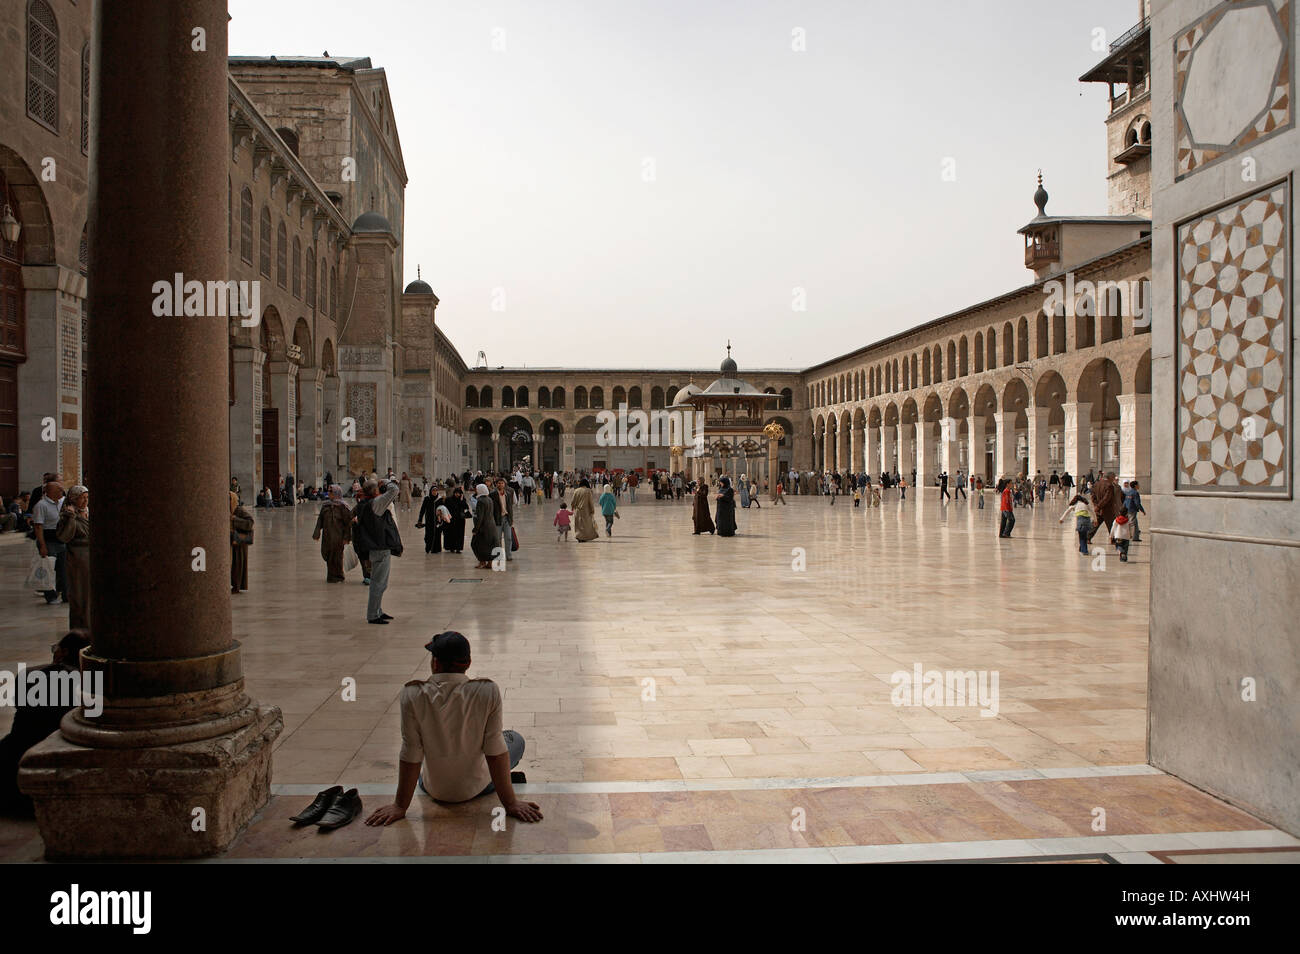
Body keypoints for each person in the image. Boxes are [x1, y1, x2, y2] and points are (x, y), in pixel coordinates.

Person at [365, 632, 541, 827]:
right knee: (513, 739)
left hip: (434, 789)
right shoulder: (486, 691)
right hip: (477, 788)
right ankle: (500, 780)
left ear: (436, 663)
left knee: (433, 750)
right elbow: (495, 752)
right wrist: (511, 803)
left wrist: (400, 805)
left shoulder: (412, 694)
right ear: (468, 663)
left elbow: (411, 752)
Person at [0, 631, 92, 817]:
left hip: (13, 777)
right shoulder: (89, 686)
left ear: (63, 652)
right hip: (59, 783)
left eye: (56, 648)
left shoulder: (30, 675)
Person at [354, 480, 402, 623]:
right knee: (378, 584)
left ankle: (377, 610)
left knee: (380, 583)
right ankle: (373, 615)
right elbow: (394, 490)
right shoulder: (376, 503)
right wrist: (386, 481)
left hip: (375, 547)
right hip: (379, 547)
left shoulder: (365, 503)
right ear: (375, 491)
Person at [55, 486, 91, 629]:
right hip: (78, 558)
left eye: (87, 498)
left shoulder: (88, 512)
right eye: (82, 498)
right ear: (74, 499)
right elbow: (64, 536)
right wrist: (70, 518)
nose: (85, 501)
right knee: (80, 594)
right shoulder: (67, 515)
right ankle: (81, 627)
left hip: (91, 556)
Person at [31, 479, 67, 605]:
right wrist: (42, 545)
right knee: (48, 568)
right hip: (49, 540)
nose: (62, 492)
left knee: (63, 569)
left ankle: (65, 594)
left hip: (61, 539)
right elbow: (38, 526)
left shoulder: (62, 502)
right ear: (50, 492)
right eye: (59, 490)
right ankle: (50, 596)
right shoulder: (41, 505)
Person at [312, 485, 352, 582]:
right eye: (329, 491)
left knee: (337, 557)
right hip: (327, 536)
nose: (329, 493)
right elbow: (320, 520)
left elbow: (348, 523)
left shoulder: (343, 507)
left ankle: (338, 576)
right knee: (328, 555)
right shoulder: (326, 506)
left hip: (338, 536)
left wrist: (347, 537)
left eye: (331, 492)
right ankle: (332, 576)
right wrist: (317, 534)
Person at [230, 490, 254, 594]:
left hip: (239, 541)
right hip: (232, 540)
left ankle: (237, 586)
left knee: (238, 564)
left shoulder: (239, 510)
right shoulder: (230, 510)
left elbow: (250, 522)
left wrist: (235, 520)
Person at [470, 483, 497, 567]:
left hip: (483, 527)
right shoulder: (489, 499)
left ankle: (482, 561)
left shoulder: (480, 501)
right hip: (491, 526)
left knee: (475, 544)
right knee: (489, 545)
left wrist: (475, 529)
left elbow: (480, 517)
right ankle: (490, 562)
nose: (476, 491)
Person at [1089, 471, 1119, 543]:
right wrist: (1099, 506)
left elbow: (1093, 496)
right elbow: (1107, 498)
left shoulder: (1096, 484)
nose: (1114, 479)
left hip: (1099, 509)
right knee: (1111, 524)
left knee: (1096, 524)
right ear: (1110, 477)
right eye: (1113, 477)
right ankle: (1113, 539)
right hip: (1107, 509)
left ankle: (1087, 537)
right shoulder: (1109, 485)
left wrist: (1096, 506)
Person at [415, 485, 446, 554]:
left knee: (437, 534)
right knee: (428, 535)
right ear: (431, 491)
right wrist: (420, 519)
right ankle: (428, 547)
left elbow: (444, 509)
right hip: (429, 520)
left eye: (436, 490)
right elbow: (422, 510)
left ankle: (435, 549)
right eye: (433, 490)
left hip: (438, 520)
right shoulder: (427, 499)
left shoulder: (440, 499)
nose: (435, 492)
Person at [443, 486, 470, 554]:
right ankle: (451, 547)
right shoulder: (449, 499)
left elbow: (466, 507)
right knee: (452, 534)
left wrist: (461, 500)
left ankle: (458, 548)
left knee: (460, 534)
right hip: (451, 520)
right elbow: (445, 508)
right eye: (456, 493)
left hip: (460, 520)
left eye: (459, 493)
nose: (457, 494)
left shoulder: (462, 499)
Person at [495, 477, 516, 562]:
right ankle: (499, 555)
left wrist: (511, 518)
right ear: (496, 484)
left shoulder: (508, 493)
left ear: (504, 484)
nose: (500, 485)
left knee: (508, 537)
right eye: (499, 483)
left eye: (502, 483)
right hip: (498, 519)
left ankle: (509, 555)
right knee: (498, 538)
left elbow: (510, 507)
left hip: (507, 518)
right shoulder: (493, 494)